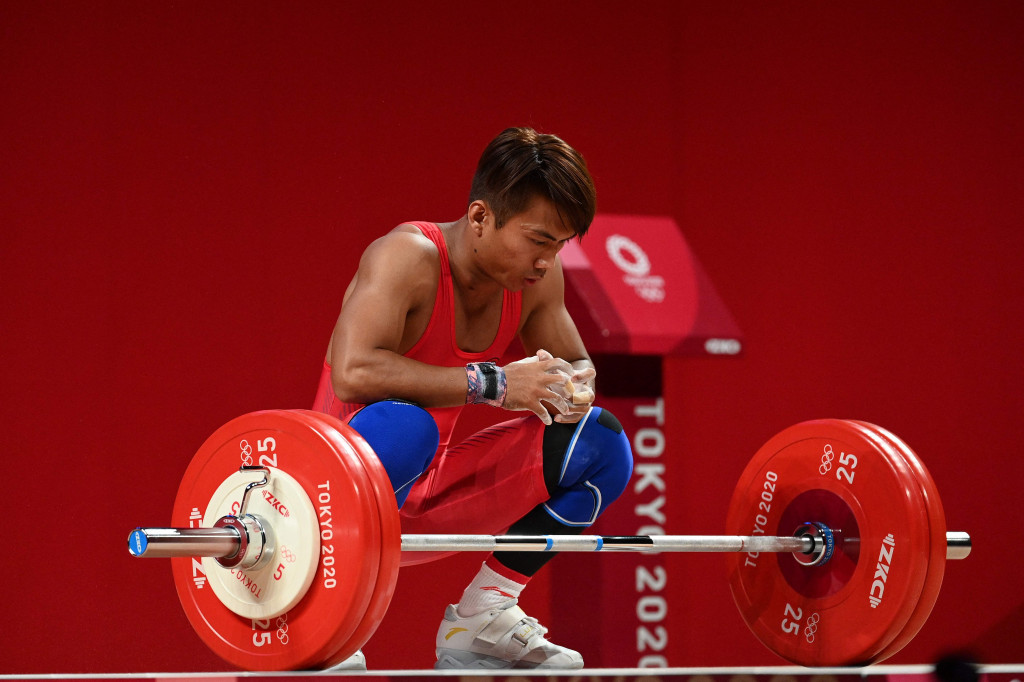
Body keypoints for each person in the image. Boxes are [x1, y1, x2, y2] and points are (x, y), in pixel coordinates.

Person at [312, 127, 633, 670]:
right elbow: (353, 372)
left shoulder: (536, 281)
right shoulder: (406, 257)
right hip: (336, 503)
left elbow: (578, 362)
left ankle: (482, 616)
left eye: (559, 245)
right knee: (404, 427)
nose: (546, 260)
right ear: (481, 217)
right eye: (538, 240)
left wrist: (573, 386)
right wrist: (498, 384)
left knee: (600, 442)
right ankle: (327, 609)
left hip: (434, 494)